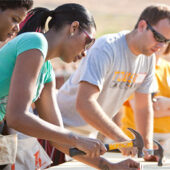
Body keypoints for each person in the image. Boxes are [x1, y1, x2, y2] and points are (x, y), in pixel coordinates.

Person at [0, 3, 140, 169]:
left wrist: (109, 166)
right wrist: (76, 139)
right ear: (74, 28)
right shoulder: (34, 42)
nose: (86, 52)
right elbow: (17, 117)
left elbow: (58, 139)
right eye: (89, 41)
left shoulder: (47, 73)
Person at [57, 3, 170, 165]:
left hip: (88, 137)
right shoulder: (107, 48)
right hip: (58, 128)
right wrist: (121, 137)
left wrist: (146, 147)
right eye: (158, 38)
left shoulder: (148, 58)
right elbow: (84, 103)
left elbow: (143, 107)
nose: (161, 46)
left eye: (166, 41)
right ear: (142, 25)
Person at [121, 43, 170, 156]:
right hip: (136, 140)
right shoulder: (135, 69)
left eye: (165, 40)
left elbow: (156, 108)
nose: (160, 44)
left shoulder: (168, 68)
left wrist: (166, 103)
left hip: (167, 140)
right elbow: (142, 108)